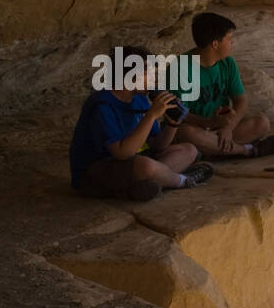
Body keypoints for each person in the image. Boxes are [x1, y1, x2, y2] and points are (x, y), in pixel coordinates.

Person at [69, 46, 215, 200]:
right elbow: (122, 153)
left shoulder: (140, 99)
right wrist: (151, 115)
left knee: (188, 150)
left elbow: (157, 146)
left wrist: (173, 123)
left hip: (132, 164)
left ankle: (150, 183)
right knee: (146, 166)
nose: (154, 80)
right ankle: (182, 180)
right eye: (148, 74)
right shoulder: (101, 105)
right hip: (97, 170)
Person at [171, 12, 274, 158]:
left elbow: (241, 101)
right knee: (186, 133)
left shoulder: (227, 63)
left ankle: (211, 150)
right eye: (229, 39)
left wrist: (228, 128)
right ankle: (247, 150)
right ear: (215, 44)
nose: (232, 43)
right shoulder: (180, 68)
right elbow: (179, 113)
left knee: (262, 123)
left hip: (221, 128)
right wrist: (209, 123)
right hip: (199, 128)